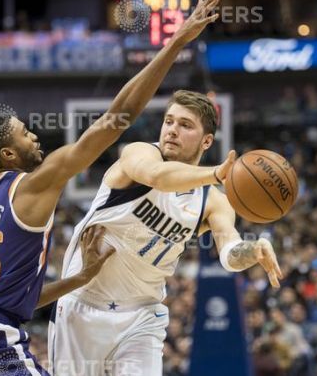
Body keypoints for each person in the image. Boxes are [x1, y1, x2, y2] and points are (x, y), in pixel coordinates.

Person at [0, 0, 223, 375]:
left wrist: (80, 278)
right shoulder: (31, 185)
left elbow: (14, 300)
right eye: (22, 133)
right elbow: (118, 118)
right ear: (8, 155)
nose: (33, 135)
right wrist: (175, 43)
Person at [49, 87, 284, 375]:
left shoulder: (213, 202)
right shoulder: (139, 153)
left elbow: (230, 253)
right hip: (83, 304)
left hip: (142, 316)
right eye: (169, 121)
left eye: (185, 125)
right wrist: (215, 173)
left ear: (207, 140)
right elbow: (158, 178)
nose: (172, 130)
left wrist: (253, 249)